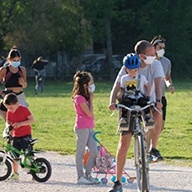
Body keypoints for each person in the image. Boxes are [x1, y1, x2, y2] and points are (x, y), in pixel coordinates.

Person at [108, 40, 165, 192]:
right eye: (151, 54)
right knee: (124, 141)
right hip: (128, 104)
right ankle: (118, 182)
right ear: (141, 56)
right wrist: (112, 102)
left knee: (158, 115)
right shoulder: (127, 66)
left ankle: (152, 148)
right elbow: (117, 86)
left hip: (146, 101)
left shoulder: (156, 65)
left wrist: (158, 101)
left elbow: (158, 84)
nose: (154, 56)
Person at [72, 71, 99, 185]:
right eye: (90, 83)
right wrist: (91, 100)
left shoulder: (86, 97)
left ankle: (88, 174)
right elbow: (89, 113)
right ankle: (80, 176)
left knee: (94, 151)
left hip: (89, 127)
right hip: (82, 128)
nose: (92, 85)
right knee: (81, 152)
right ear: (85, 85)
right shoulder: (79, 98)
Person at [3, 93, 34, 180]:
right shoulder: (9, 112)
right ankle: (15, 173)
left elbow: (32, 120)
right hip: (16, 135)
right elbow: (8, 121)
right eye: (7, 108)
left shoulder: (23, 109)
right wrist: (8, 126)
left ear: (17, 104)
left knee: (28, 155)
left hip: (26, 135)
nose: (9, 110)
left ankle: (33, 173)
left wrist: (21, 124)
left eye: (11, 108)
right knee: (14, 155)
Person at [118, 53, 151, 130]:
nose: (133, 72)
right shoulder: (124, 78)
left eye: (135, 70)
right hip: (129, 97)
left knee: (145, 103)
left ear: (138, 69)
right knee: (125, 105)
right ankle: (124, 119)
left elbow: (148, 86)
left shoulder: (141, 77)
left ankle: (148, 118)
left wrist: (148, 94)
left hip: (139, 96)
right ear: (126, 69)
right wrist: (121, 96)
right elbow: (122, 89)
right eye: (130, 70)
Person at [151, 35, 175, 131]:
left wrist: (170, 85)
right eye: (160, 48)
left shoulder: (166, 62)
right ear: (154, 48)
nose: (162, 50)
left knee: (160, 126)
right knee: (150, 124)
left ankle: (151, 143)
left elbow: (167, 78)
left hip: (161, 97)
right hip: (149, 96)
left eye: (163, 48)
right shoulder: (148, 61)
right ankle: (146, 144)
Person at [0, 47, 28, 121]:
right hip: (9, 96)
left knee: (22, 118)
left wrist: (23, 83)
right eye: (14, 60)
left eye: (18, 60)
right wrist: (2, 95)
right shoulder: (4, 70)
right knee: (9, 121)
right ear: (9, 60)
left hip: (20, 96)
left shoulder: (22, 69)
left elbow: (25, 85)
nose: (16, 62)